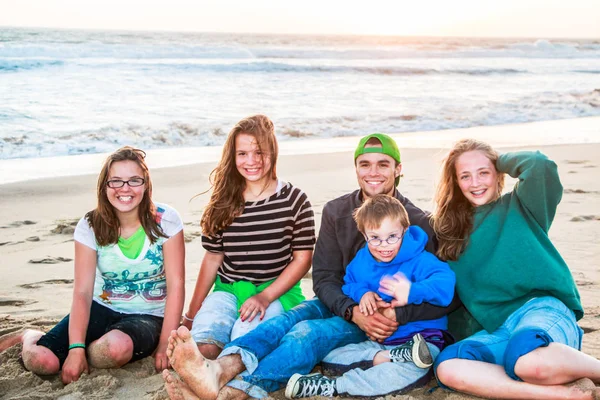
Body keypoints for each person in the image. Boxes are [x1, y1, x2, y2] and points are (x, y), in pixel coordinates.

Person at [162, 133, 459, 400]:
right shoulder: (337, 211)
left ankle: (239, 390)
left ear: (398, 169)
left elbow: (444, 291)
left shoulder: (417, 223)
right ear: (356, 168)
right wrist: (351, 309)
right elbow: (325, 278)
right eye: (365, 164)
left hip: (384, 320)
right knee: (288, 319)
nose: (373, 172)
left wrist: (397, 313)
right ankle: (220, 370)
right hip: (343, 303)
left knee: (305, 334)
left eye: (383, 164)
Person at [0, 146, 185, 384]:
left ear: (146, 184)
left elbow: (177, 285)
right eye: (115, 181)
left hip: (147, 315)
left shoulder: (166, 220)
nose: (125, 189)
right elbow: (83, 292)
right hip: (101, 307)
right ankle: (29, 335)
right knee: (42, 361)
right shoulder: (90, 225)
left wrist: (163, 344)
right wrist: (76, 349)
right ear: (104, 186)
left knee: (113, 350)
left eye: (134, 180)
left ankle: (96, 349)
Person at [432, 139, 600, 399]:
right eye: (465, 176)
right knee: (448, 367)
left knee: (527, 361)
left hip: (542, 311)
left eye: (483, 172)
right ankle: (561, 395)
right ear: (455, 181)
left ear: (498, 174)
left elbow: (540, 165)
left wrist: (497, 160)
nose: (475, 182)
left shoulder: (522, 205)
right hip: (498, 329)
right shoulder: (448, 232)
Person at [285, 194, 456, 398]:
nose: (384, 246)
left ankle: (335, 387)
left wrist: (411, 291)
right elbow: (349, 284)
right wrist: (363, 293)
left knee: (409, 370)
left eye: (392, 236)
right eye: (375, 238)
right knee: (331, 356)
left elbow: (446, 284)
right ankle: (390, 356)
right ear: (364, 235)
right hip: (383, 342)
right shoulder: (362, 260)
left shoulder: (420, 259)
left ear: (405, 230)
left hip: (424, 340)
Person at [182, 114, 316, 360]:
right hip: (228, 290)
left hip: (275, 291)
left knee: (242, 343)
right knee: (206, 347)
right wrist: (191, 314)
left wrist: (264, 296)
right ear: (232, 157)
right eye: (242, 153)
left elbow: (302, 260)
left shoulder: (294, 200)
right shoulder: (222, 202)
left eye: (259, 152)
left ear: (272, 152)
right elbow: (213, 259)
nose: (251, 161)